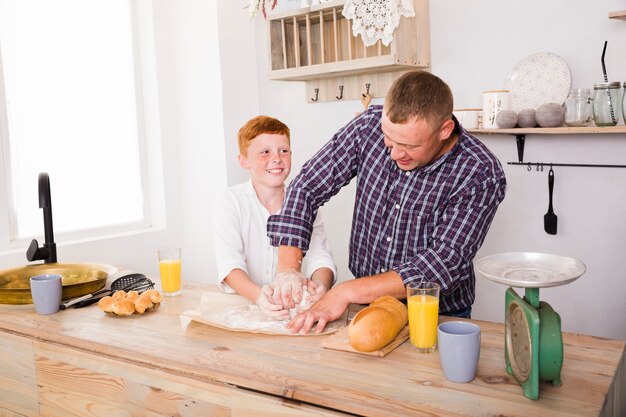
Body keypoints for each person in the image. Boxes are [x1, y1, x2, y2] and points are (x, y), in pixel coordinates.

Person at [266, 70, 507, 333]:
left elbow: (443, 262)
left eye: (409, 146)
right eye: (388, 140)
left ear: (444, 130)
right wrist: (288, 269)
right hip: (365, 302)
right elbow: (307, 187)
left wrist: (344, 292)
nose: (394, 153)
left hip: (437, 313)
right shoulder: (368, 126)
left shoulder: (480, 172)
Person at [213, 115, 336, 320]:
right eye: (265, 152)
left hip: (294, 310)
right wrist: (259, 297)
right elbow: (229, 264)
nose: (277, 158)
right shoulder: (229, 201)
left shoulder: (305, 204)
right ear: (243, 160)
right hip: (244, 309)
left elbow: (320, 257)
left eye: (284, 151)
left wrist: (321, 286)